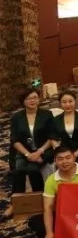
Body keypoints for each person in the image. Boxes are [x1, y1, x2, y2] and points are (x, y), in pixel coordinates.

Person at [29, 146, 78, 238]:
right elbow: (48, 207)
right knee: (35, 222)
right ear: (55, 160)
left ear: (74, 157)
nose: (64, 162)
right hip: (64, 215)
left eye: (68, 158)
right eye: (60, 159)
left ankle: (70, 235)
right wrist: (49, 233)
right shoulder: (51, 180)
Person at [7, 88, 54, 218]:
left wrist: (39, 152)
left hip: (43, 151)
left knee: (33, 170)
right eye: (28, 98)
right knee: (18, 172)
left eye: (35, 98)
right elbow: (14, 140)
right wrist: (28, 154)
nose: (32, 101)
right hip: (24, 152)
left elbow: (52, 136)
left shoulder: (46, 114)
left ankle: (41, 200)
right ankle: (14, 204)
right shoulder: (17, 117)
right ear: (23, 101)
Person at [50, 90, 78, 164]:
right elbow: (53, 138)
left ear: (75, 101)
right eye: (64, 102)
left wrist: (76, 153)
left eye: (70, 101)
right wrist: (60, 151)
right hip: (64, 153)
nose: (68, 104)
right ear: (60, 103)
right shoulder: (56, 119)